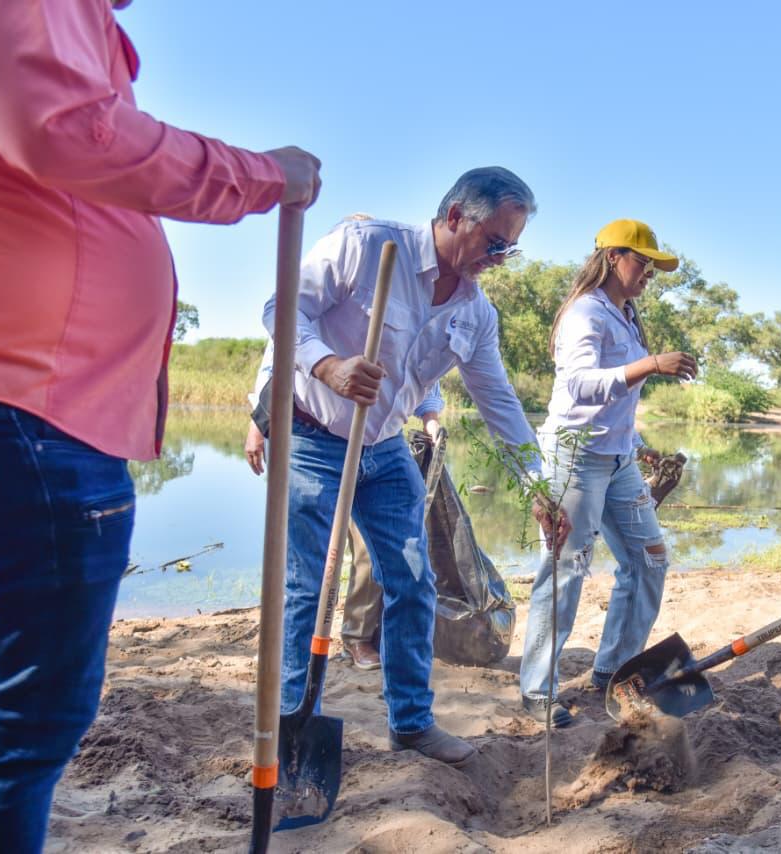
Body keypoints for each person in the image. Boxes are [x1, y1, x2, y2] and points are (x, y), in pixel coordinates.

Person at [0, 1, 320, 850]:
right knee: (22, 726)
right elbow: (64, 129)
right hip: (19, 401)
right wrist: (263, 176)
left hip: (2, 400)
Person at [264, 167, 568, 767]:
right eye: (495, 243)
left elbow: (499, 401)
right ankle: (291, 724)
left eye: (512, 247)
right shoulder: (368, 246)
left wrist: (537, 484)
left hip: (385, 447)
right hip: (311, 434)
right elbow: (281, 310)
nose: (502, 259)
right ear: (456, 216)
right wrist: (328, 366)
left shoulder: (477, 315)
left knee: (412, 579)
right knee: (309, 589)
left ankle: (411, 722)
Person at [519, 219, 698, 727]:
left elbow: (614, 404)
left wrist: (638, 444)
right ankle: (536, 690)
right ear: (614, 257)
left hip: (617, 458)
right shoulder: (585, 313)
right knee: (565, 568)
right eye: (643, 263)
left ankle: (613, 672)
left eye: (653, 268)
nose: (649, 275)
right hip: (573, 456)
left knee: (648, 558)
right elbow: (578, 386)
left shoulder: (624, 314)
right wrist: (650, 365)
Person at [244, 343, 443, 671]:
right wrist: (257, 422)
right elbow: (280, 351)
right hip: (312, 436)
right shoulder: (321, 298)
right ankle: (290, 659)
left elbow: (422, 360)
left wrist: (430, 415)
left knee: (370, 551)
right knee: (304, 567)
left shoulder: (410, 299)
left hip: (378, 440)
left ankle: (357, 637)